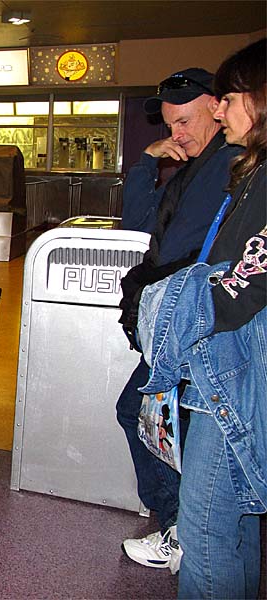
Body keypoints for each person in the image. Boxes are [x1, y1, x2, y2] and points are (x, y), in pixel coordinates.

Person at [138, 38, 266, 598]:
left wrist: (174, 313)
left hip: (231, 363)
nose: (220, 109)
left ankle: (173, 531)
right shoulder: (242, 170)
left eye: (229, 98)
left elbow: (240, 280)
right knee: (232, 521)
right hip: (224, 359)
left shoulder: (250, 175)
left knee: (207, 526)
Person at [116, 67, 241, 570]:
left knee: (147, 414)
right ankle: (178, 520)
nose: (177, 135)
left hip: (196, 320)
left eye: (185, 122)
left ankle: (179, 524)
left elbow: (180, 248)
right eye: (170, 126)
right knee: (159, 419)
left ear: (219, 107)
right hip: (179, 318)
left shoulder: (230, 165)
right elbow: (140, 226)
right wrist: (146, 164)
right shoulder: (196, 166)